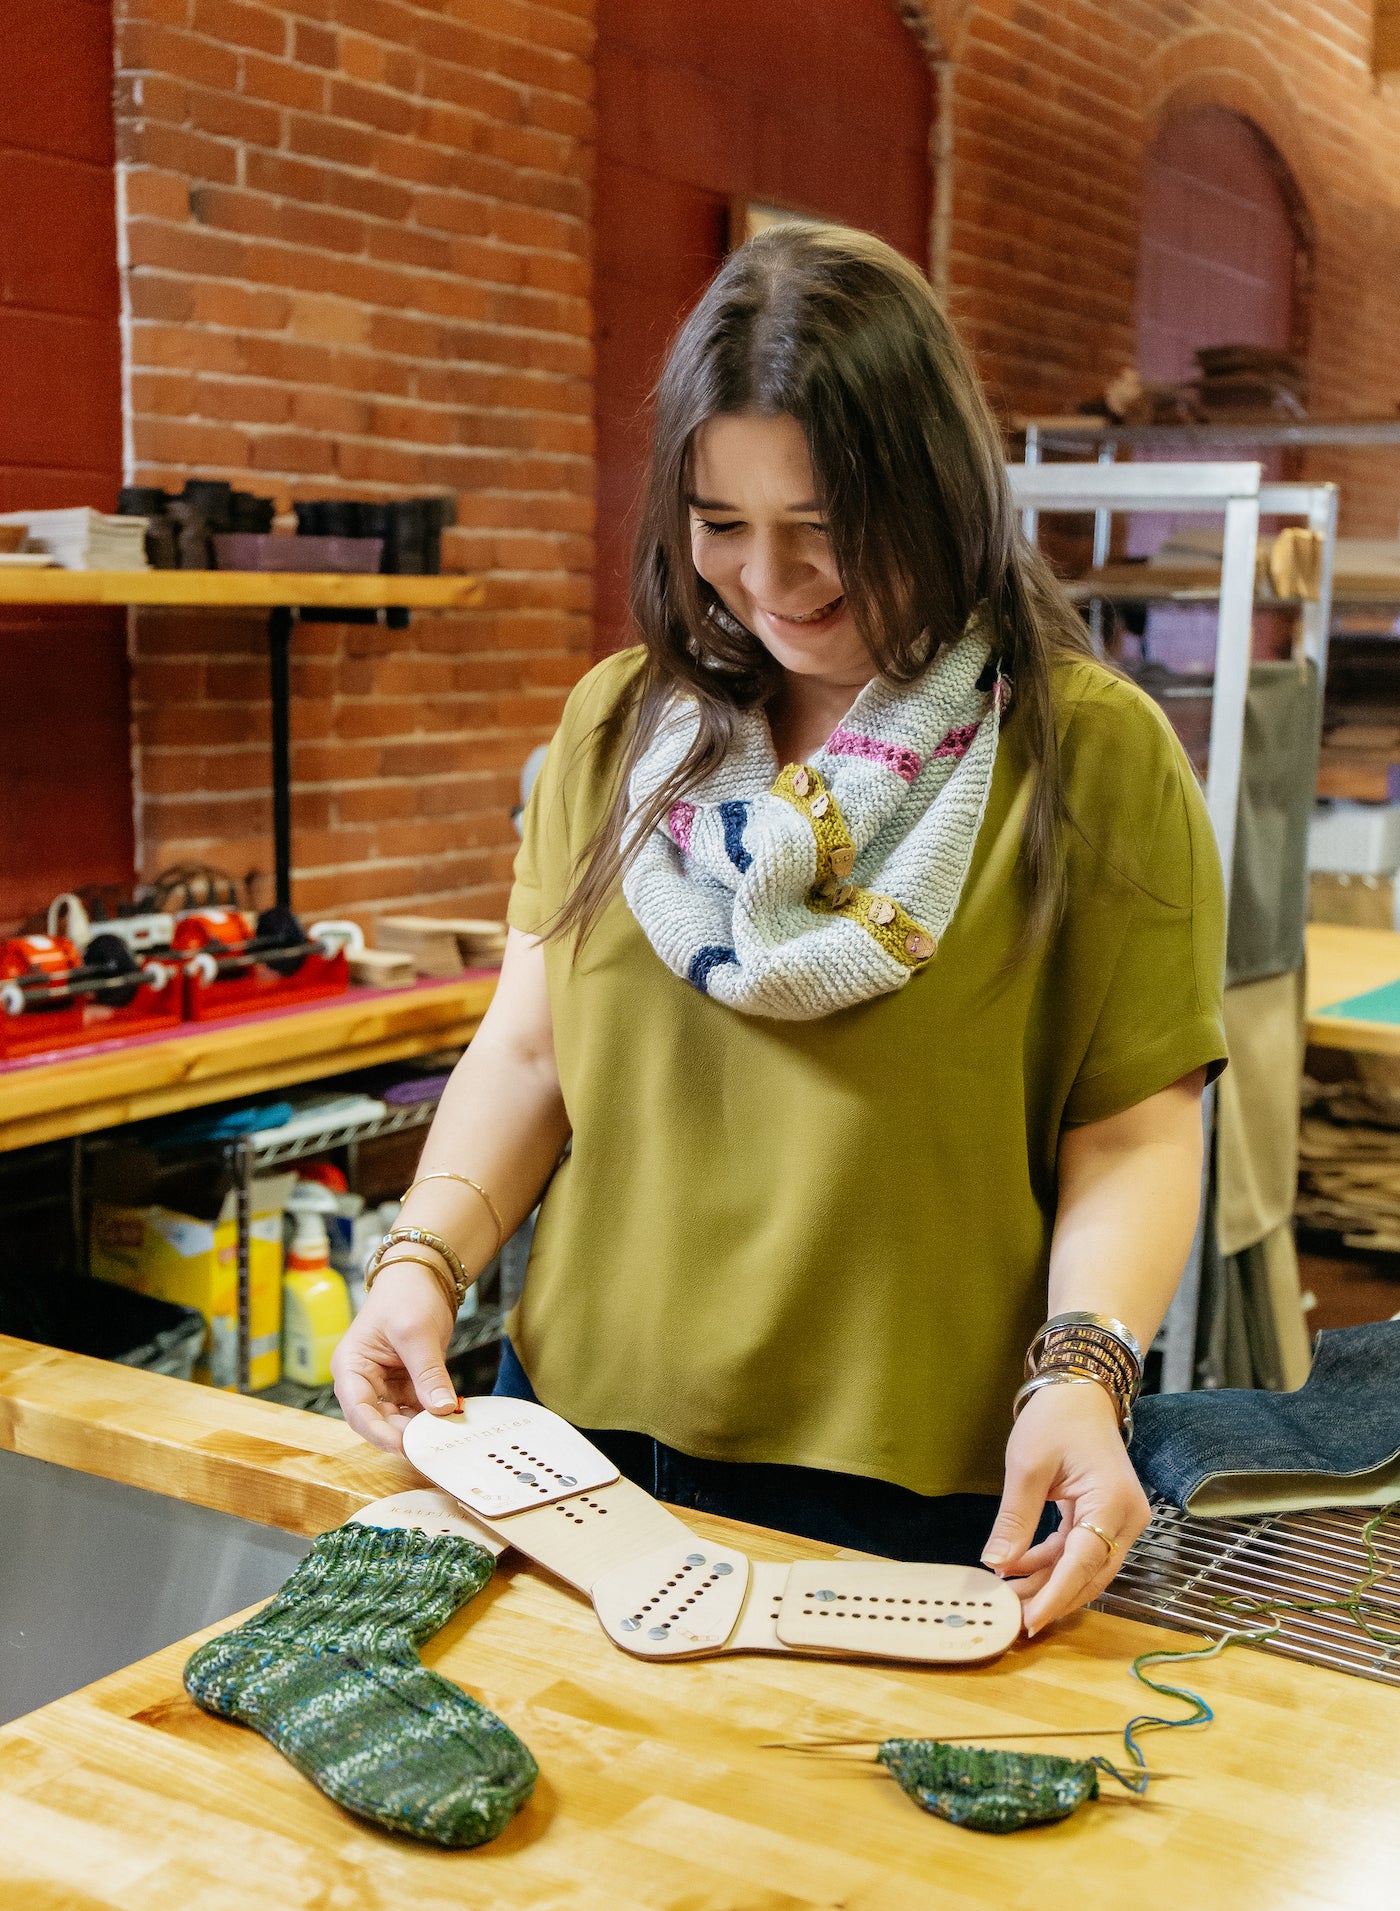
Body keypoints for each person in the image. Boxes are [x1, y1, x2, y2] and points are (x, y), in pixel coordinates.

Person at [333, 226, 1225, 1636]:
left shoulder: (1087, 760)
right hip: (563, 1440)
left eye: (828, 522)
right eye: (723, 522)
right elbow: (527, 1053)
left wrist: (1084, 1373)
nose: (775, 578)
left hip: (912, 1490)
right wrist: (415, 1265)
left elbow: (1131, 1130)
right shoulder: (619, 729)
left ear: (938, 487)